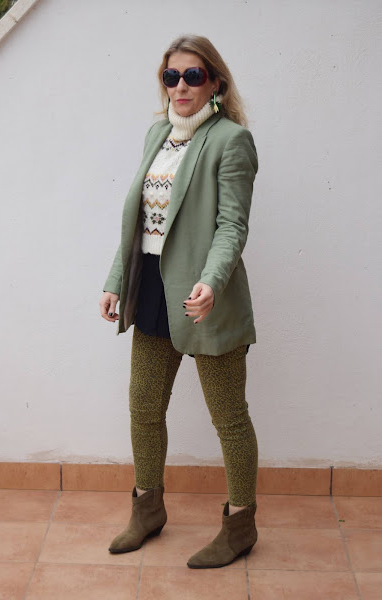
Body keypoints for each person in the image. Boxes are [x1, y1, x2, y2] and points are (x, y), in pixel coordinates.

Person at [99, 34, 259, 569]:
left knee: (229, 417)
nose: (181, 86)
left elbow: (232, 225)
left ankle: (240, 526)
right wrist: (116, 279)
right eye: (172, 76)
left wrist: (212, 281)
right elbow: (141, 221)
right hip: (151, 288)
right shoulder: (156, 134)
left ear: (215, 82)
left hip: (205, 297)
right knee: (144, 407)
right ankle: (147, 510)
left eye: (193, 75)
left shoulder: (231, 140)